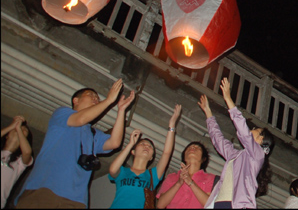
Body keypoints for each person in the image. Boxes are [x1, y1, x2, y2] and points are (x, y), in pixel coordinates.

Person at [16, 78, 135, 209]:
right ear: (76, 101)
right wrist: (108, 101)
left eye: (97, 98)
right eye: (91, 95)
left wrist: (121, 111)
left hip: (76, 200)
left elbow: (114, 143)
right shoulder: (62, 114)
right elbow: (80, 119)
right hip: (44, 189)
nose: (96, 99)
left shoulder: (93, 133)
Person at [199, 77, 275, 209]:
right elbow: (219, 140)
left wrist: (228, 99)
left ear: (262, 140)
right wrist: (208, 113)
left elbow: (244, 132)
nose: (251, 130)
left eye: (255, 130)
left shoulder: (258, 155)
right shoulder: (235, 155)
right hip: (219, 203)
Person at [108, 104, 181, 208]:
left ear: (151, 157)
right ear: (133, 151)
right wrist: (130, 144)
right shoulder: (123, 172)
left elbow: (166, 153)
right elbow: (112, 170)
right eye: (142, 144)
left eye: (150, 146)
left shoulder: (153, 176)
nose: (146, 146)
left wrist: (172, 124)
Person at [156, 141, 217, 208]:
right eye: (189, 147)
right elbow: (160, 205)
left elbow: (210, 205)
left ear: (203, 159)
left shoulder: (211, 178)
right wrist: (178, 183)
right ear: (184, 157)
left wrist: (191, 183)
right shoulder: (172, 177)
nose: (193, 147)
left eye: (198, 147)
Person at [1, 116, 33, 208]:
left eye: (24, 132)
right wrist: (11, 126)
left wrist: (18, 129)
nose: (19, 131)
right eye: (16, 129)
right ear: (7, 135)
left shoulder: (19, 162)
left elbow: (27, 152)